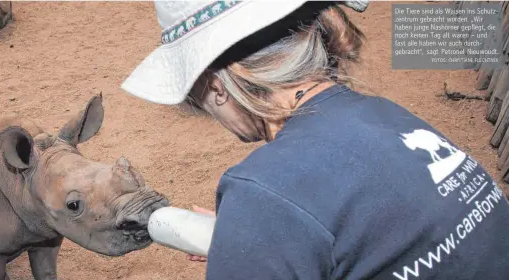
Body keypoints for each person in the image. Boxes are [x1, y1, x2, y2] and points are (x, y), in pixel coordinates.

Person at [121, 1, 509, 279]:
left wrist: (259, 231)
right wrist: (257, 243)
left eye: (196, 97)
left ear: (215, 85)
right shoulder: (386, 115)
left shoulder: (261, 192)